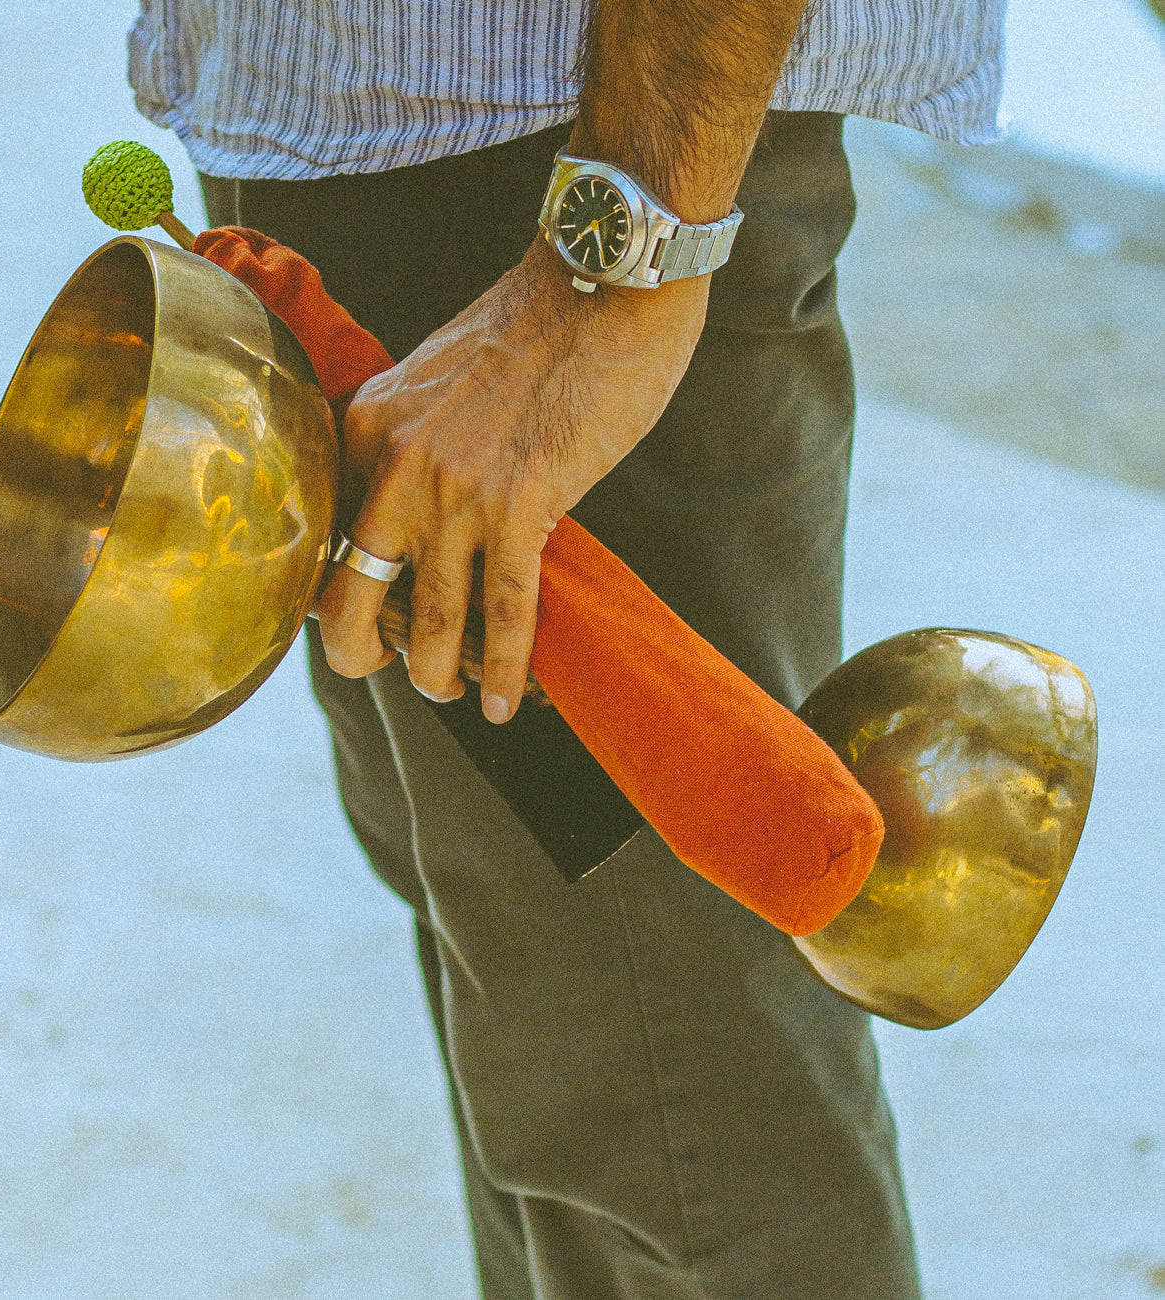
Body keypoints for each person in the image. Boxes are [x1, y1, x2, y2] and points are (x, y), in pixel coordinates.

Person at [130, 2, 1003, 1295]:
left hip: (563, 194)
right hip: (359, 163)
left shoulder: (598, 247)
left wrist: (619, 255)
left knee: (681, 1094)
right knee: (544, 1015)